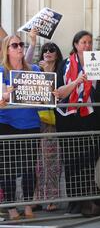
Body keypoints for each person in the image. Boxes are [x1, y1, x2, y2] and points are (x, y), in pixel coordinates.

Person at [55, 30, 100, 215]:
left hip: (92, 117)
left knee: (87, 160)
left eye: (89, 42)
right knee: (71, 160)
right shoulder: (65, 65)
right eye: (83, 42)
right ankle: (75, 204)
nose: (87, 45)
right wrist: (76, 82)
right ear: (76, 44)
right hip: (68, 118)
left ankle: (87, 201)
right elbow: (59, 94)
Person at [0, 35, 41, 220]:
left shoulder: (33, 70)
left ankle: (28, 204)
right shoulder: (1, 71)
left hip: (30, 124)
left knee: (29, 167)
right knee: (7, 167)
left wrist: (52, 94)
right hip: (7, 124)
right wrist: (4, 96)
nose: (19, 48)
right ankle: (11, 207)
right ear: (6, 49)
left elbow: (45, 95)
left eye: (20, 44)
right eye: (14, 45)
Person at [33, 42, 64, 212]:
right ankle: (36, 198)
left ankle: (52, 198)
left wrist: (46, 73)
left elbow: (56, 94)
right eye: (45, 50)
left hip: (52, 121)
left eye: (52, 50)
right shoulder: (35, 70)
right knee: (37, 162)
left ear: (57, 54)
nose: (47, 53)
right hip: (36, 118)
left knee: (51, 160)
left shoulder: (61, 71)